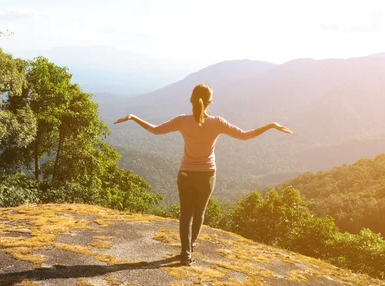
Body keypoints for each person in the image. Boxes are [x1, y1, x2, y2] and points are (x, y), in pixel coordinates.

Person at [114, 84, 292, 266]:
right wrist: (271, 125)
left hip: (185, 173)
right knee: (199, 214)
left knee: (185, 215)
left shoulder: (182, 121)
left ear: (191, 100)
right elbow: (245, 135)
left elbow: (155, 130)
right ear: (210, 102)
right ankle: (190, 249)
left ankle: (185, 253)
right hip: (207, 175)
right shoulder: (218, 123)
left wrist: (134, 117)